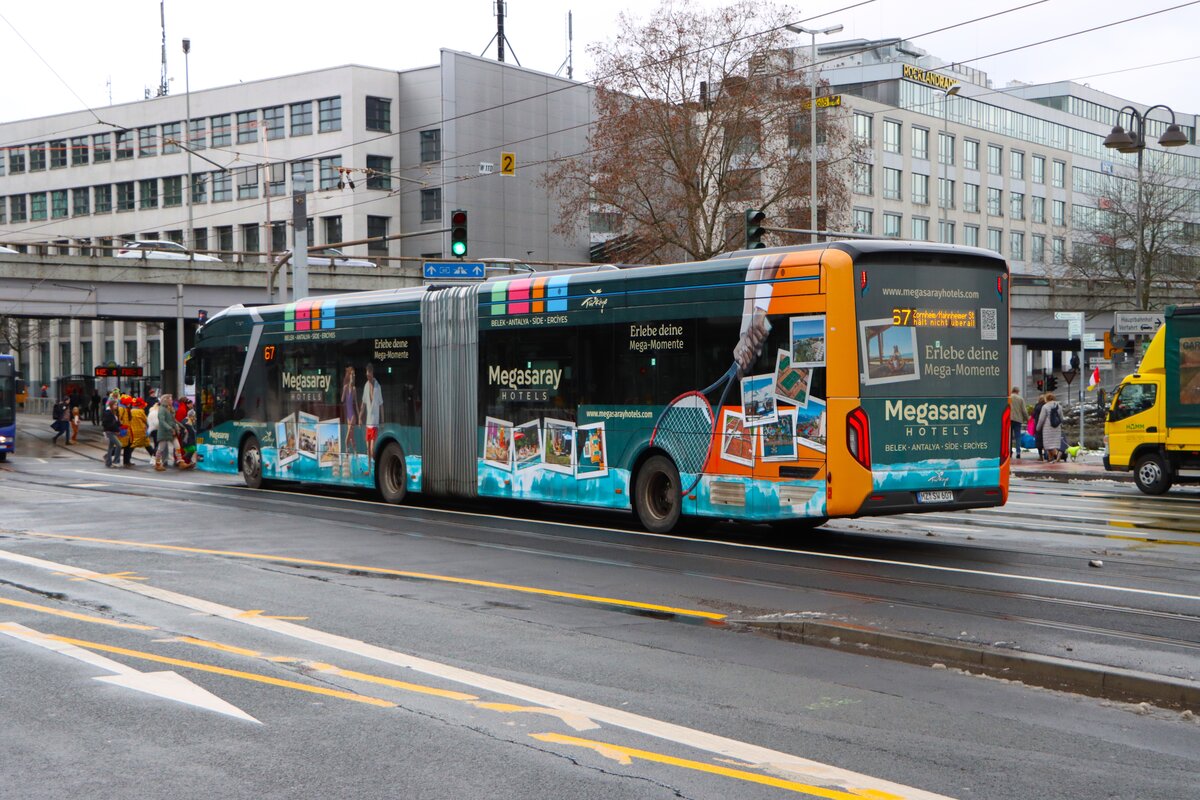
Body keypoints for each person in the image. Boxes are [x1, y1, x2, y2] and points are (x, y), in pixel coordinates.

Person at [359, 363, 383, 477]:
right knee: (368, 450)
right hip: (368, 423)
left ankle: (379, 466)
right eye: (366, 375)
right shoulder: (365, 386)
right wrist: (359, 416)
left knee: (372, 450)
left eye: (369, 375)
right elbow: (363, 403)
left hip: (375, 423)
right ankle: (369, 469)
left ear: (372, 373)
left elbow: (381, 405)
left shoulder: (378, 387)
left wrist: (382, 421)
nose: (367, 377)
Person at [340, 365, 359, 477]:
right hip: (348, 415)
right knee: (352, 437)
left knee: (348, 437)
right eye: (352, 374)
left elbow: (356, 403)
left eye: (354, 375)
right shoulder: (346, 387)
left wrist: (359, 417)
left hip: (353, 416)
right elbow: (342, 400)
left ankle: (346, 451)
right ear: (349, 376)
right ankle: (355, 453)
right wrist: (343, 390)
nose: (353, 376)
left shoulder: (355, 389)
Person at [1036, 392, 1064, 463]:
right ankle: (1050, 458)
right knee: (1054, 444)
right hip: (1057, 427)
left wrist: (1038, 428)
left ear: (1046, 399)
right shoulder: (1059, 406)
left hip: (1047, 428)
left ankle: (1057, 454)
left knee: (1048, 445)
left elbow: (1041, 419)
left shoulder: (1045, 406)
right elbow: (1061, 418)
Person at [154, 393, 179, 471]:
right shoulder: (162, 409)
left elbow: (173, 420)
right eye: (170, 399)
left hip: (171, 431)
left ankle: (181, 461)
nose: (172, 401)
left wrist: (180, 426)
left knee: (177, 446)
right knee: (161, 448)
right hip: (165, 432)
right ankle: (157, 463)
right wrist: (170, 428)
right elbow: (162, 421)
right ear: (166, 400)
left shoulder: (170, 408)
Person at [1008, 386, 1029, 459]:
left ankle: (1009, 452)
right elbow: (1024, 410)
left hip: (1009, 419)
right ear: (1017, 392)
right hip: (1018, 420)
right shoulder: (1020, 399)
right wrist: (1027, 419)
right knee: (1018, 436)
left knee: (1009, 437)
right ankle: (1018, 452)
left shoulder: (1009, 398)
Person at [101, 399, 122, 468]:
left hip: (112, 431)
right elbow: (106, 423)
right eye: (115, 405)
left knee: (110, 447)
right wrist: (116, 428)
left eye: (116, 405)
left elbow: (116, 422)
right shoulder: (108, 413)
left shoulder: (114, 412)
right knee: (119, 445)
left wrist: (119, 425)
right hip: (109, 432)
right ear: (111, 405)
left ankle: (108, 462)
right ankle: (115, 461)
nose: (116, 406)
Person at [1031, 393, 1048, 461]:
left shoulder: (1037, 406)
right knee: (1046, 440)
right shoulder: (1046, 405)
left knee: (1039, 441)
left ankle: (1041, 456)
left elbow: (1033, 415)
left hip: (1038, 425)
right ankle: (1047, 454)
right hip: (1045, 425)